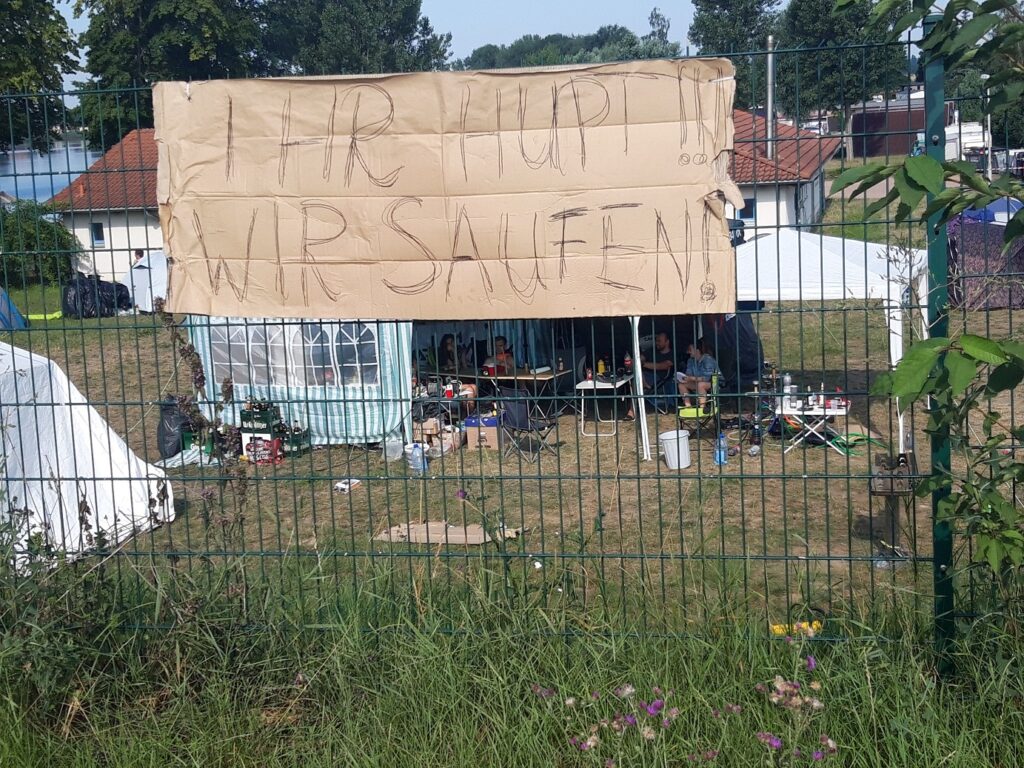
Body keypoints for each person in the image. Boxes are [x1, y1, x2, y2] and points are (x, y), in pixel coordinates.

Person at [626, 331, 676, 420]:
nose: (657, 343)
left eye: (659, 341)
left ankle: (632, 410)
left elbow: (662, 366)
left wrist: (642, 364)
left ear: (667, 342)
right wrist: (632, 362)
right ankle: (643, 383)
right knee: (636, 375)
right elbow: (639, 359)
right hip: (645, 374)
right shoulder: (652, 350)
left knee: (637, 379)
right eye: (656, 340)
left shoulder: (672, 354)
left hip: (659, 379)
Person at [677, 338, 718, 411]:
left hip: (714, 383)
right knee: (681, 385)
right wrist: (684, 378)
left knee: (701, 385)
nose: (688, 352)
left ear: (697, 350)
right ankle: (688, 407)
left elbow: (707, 378)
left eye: (690, 349)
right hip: (697, 382)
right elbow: (688, 374)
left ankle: (702, 408)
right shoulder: (690, 360)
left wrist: (691, 378)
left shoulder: (708, 360)